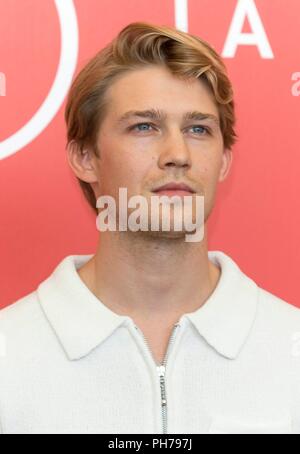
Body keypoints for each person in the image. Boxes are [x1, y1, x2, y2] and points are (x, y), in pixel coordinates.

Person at [0, 21, 299, 435]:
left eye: (198, 129)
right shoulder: (8, 355)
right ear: (86, 157)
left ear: (225, 160)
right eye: (144, 126)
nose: (177, 154)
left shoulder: (291, 348)